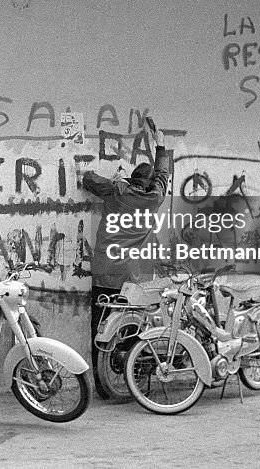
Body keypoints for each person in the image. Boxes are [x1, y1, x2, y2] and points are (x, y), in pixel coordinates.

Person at [81, 119, 168, 399]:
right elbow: (163, 175)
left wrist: (116, 181)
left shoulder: (117, 191)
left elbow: (88, 179)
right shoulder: (155, 197)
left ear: (131, 180)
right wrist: (161, 145)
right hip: (136, 278)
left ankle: (101, 384)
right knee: (134, 327)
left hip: (106, 272)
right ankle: (132, 378)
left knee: (100, 328)